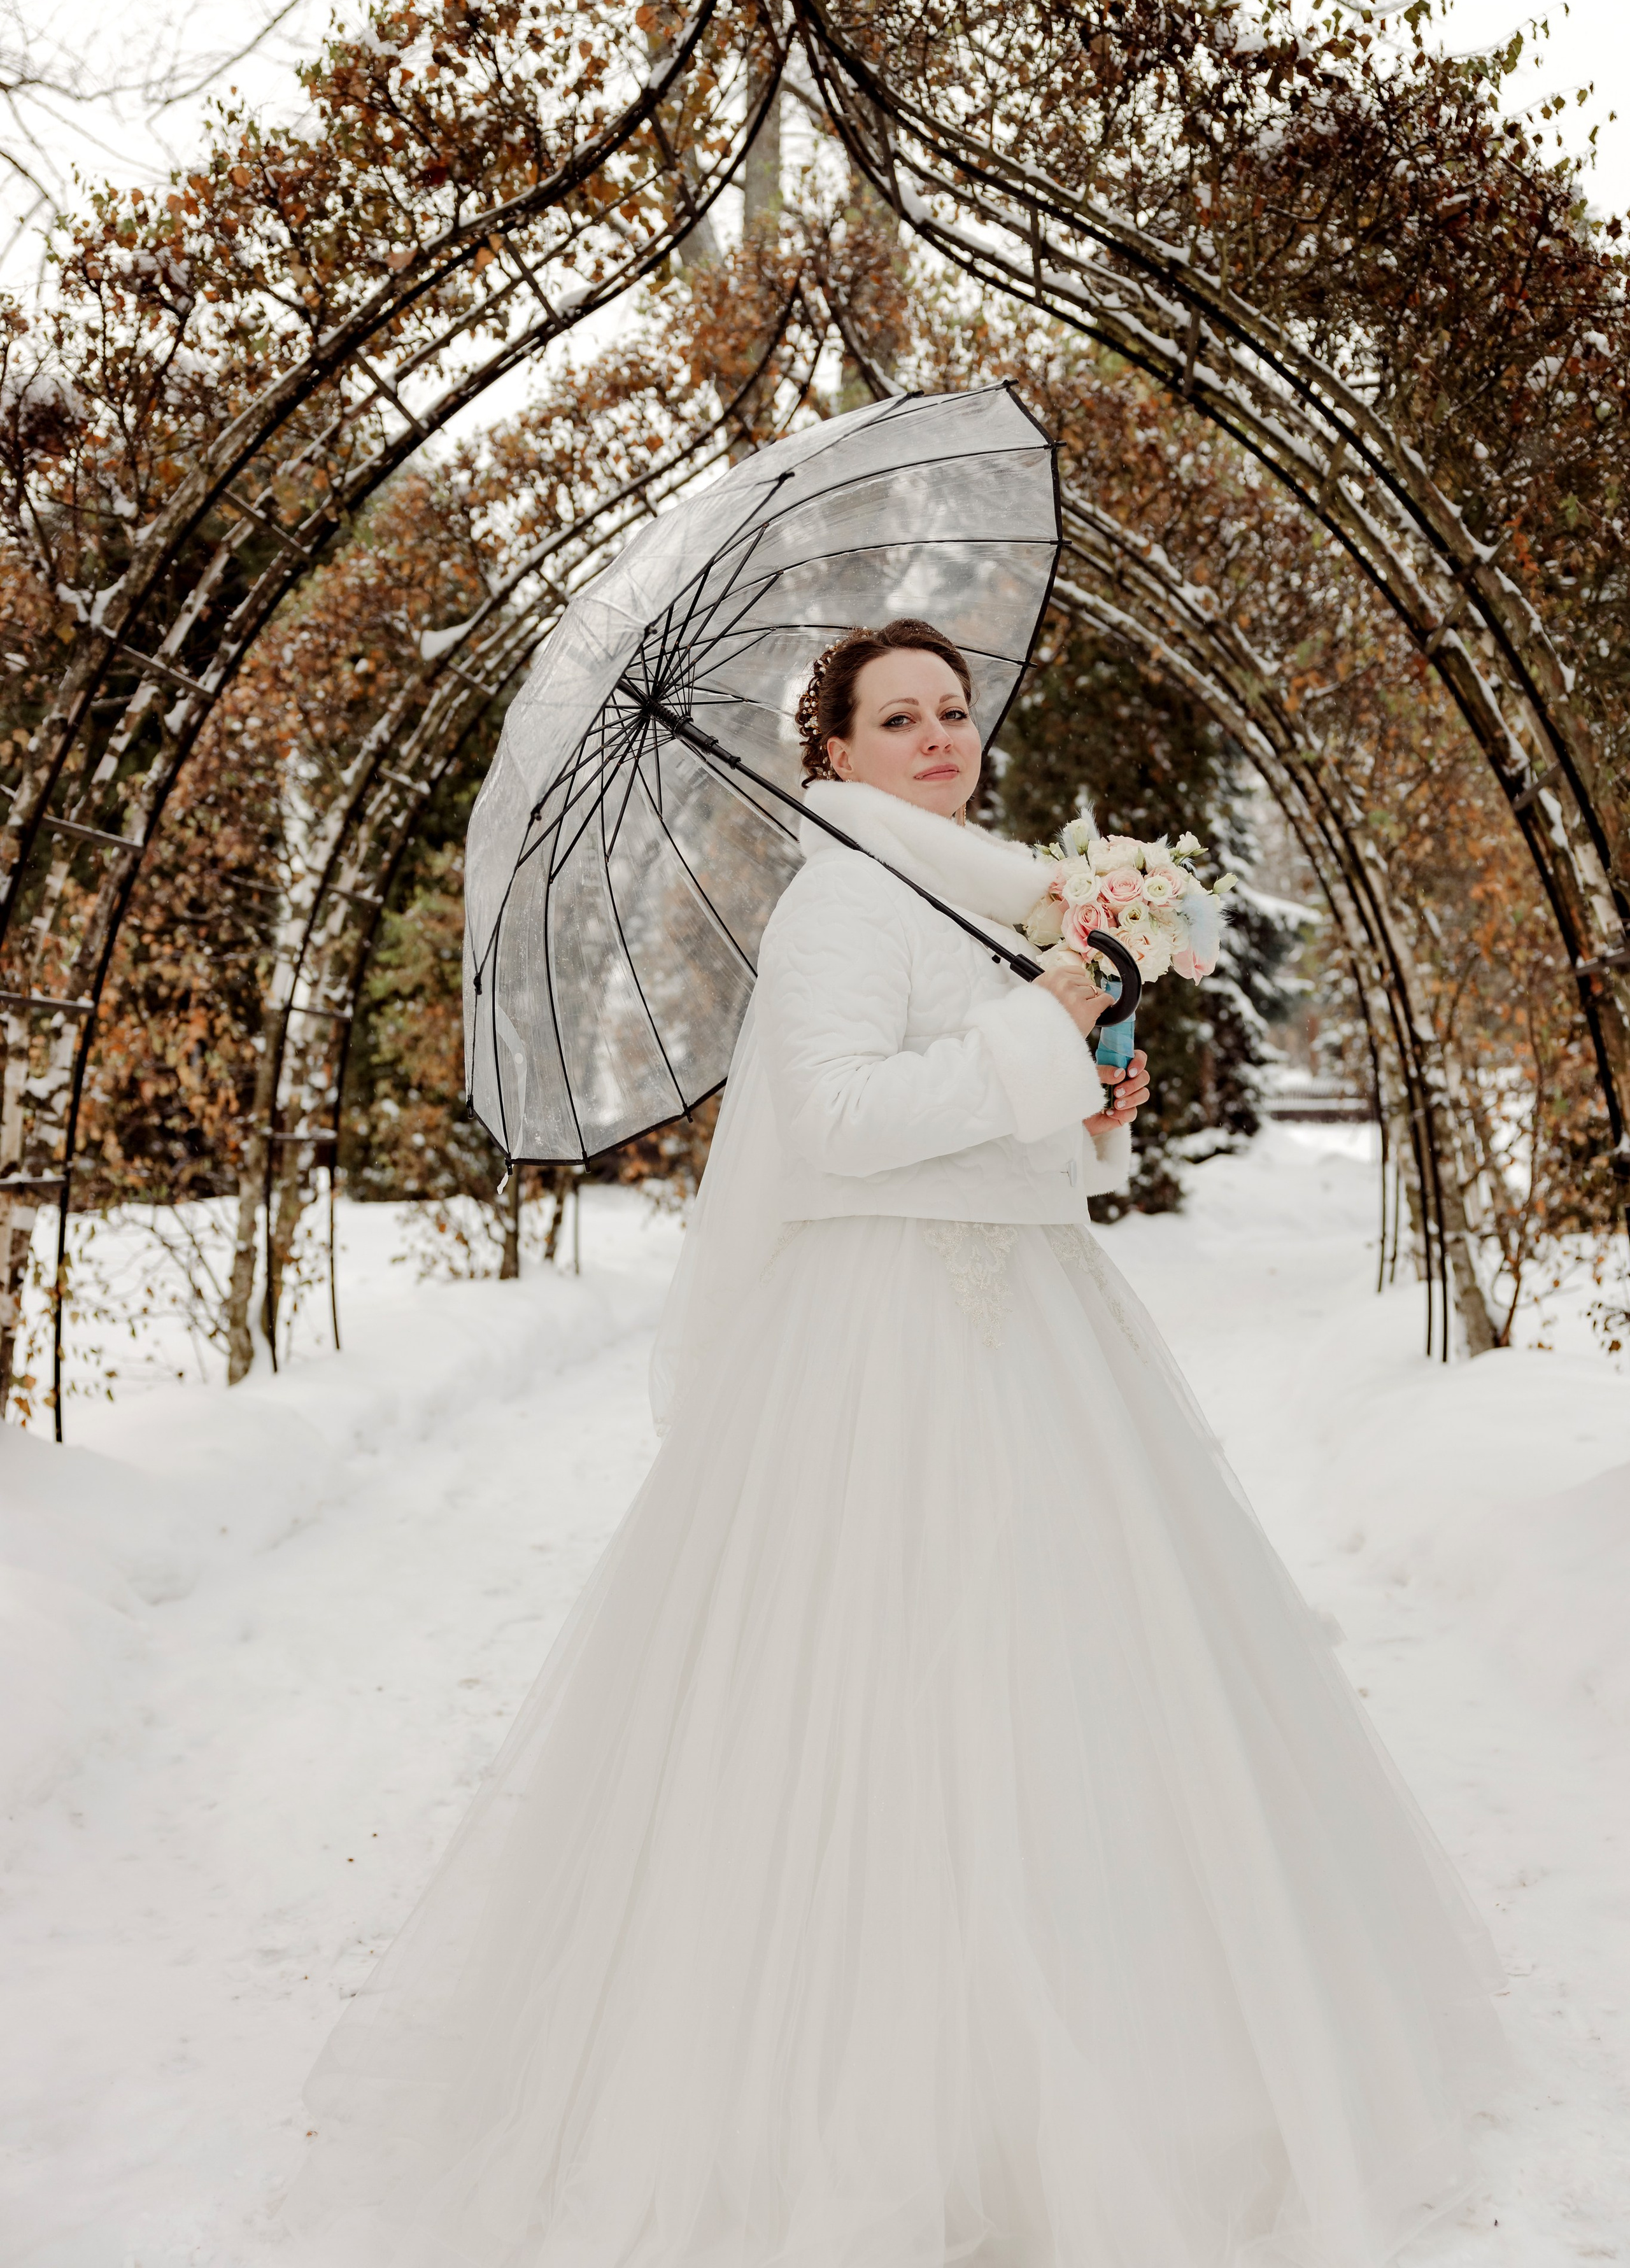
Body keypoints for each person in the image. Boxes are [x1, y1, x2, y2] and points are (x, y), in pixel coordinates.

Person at [285, 618, 1505, 2268]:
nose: (941, 737)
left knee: (1066, 1693)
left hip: (1029, 1325)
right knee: (881, 1697)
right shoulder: (843, 905)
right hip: (873, 1353)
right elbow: (846, 1121)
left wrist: (1081, 1109)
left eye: (953, 711)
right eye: (899, 717)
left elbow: (992, 1127)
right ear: (835, 753)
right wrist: (1039, 1034)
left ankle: (1116, 2053)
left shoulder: (973, 890)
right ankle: (866, 2110)